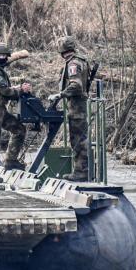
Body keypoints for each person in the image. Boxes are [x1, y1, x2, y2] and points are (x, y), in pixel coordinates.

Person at [0, 43, 31, 182]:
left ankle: (10, 160)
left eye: (4, 55)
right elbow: (5, 91)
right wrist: (20, 90)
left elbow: (3, 88)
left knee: (19, 129)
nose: (2, 57)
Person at [47, 36, 92, 182]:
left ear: (62, 50)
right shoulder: (80, 60)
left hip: (77, 106)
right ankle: (81, 171)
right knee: (79, 139)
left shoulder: (73, 63)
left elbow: (76, 85)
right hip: (77, 105)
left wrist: (60, 94)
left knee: (78, 140)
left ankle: (81, 172)